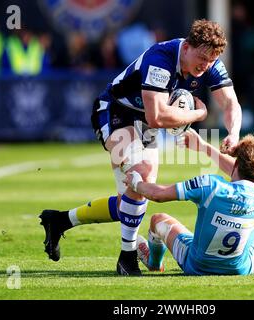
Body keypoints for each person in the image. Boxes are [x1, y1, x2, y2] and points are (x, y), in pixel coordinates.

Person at [39, 19, 243, 276]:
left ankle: (58, 221)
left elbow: (231, 103)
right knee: (142, 176)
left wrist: (233, 134)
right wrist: (198, 114)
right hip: (115, 111)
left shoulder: (209, 62)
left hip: (144, 121)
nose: (205, 66)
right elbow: (157, 116)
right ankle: (126, 258)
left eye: (211, 61)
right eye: (202, 58)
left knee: (134, 196)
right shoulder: (162, 58)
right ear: (187, 46)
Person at [125, 129, 254, 275]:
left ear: (237, 163)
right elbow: (244, 172)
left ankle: (153, 262)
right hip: (241, 268)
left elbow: (158, 194)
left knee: (157, 220)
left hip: (196, 266)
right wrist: (205, 148)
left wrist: (136, 183)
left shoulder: (211, 186)